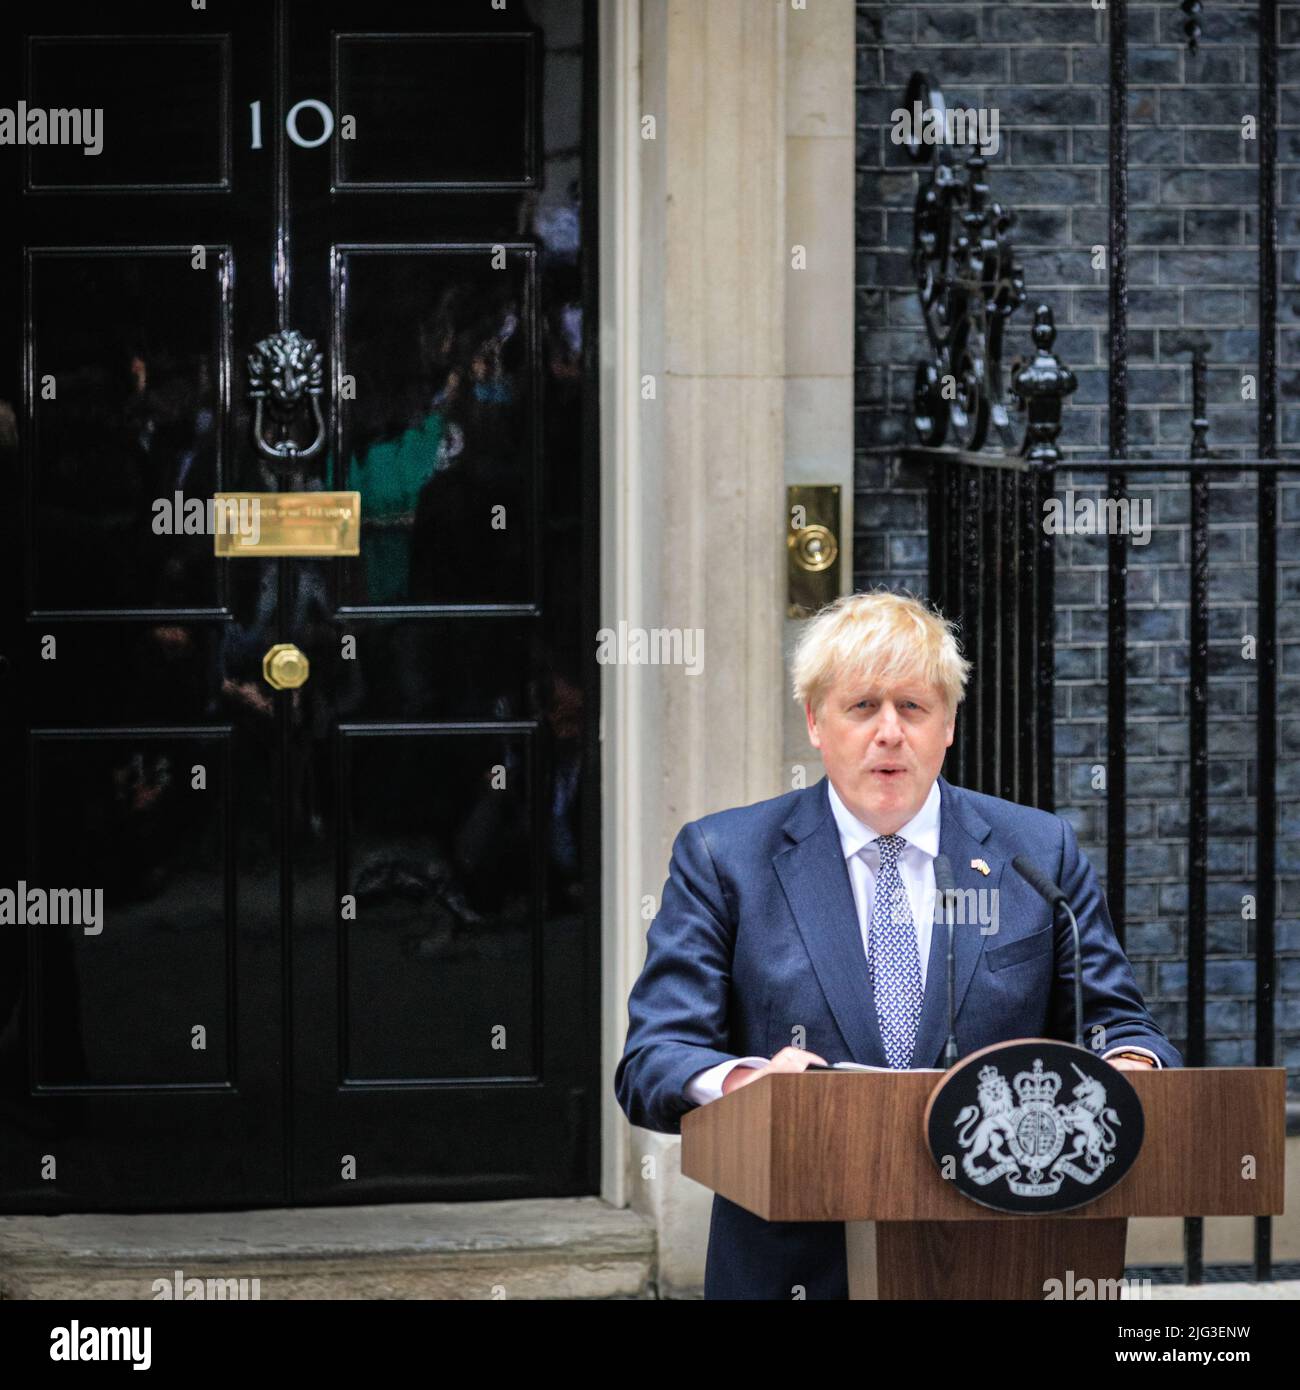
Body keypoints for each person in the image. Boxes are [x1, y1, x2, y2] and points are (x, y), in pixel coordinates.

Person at [614, 590, 1181, 1300]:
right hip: (795, 1266)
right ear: (816, 722)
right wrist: (749, 1087)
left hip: (1000, 1258)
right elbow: (654, 1061)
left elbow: (1115, 1022)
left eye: (912, 707)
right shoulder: (726, 858)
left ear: (947, 724)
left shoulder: (1035, 853)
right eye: (862, 707)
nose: (889, 732)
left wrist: (1129, 1061)